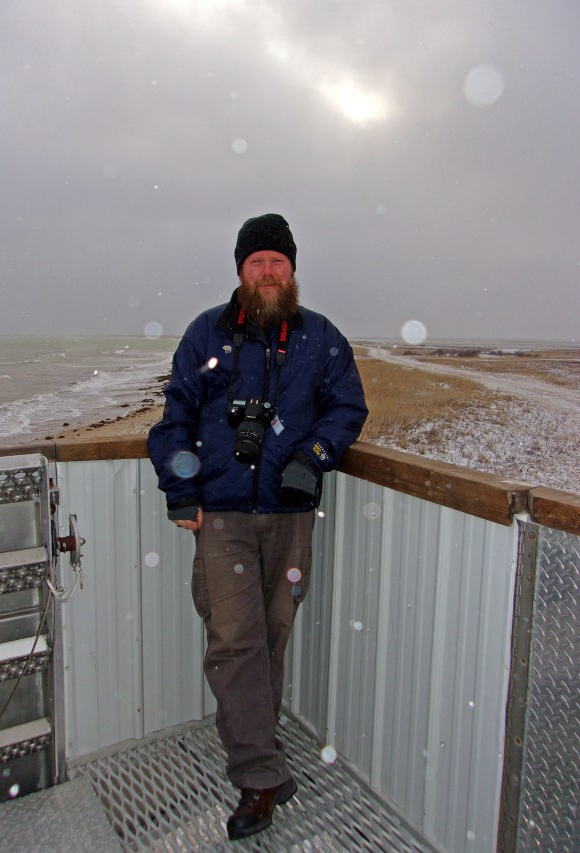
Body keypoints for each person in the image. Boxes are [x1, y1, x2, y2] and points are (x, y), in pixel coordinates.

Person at [148, 213, 367, 841]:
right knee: (235, 641)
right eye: (256, 262)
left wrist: (313, 457)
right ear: (240, 270)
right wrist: (181, 490)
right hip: (220, 515)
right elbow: (174, 418)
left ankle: (262, 760)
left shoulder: (320, 337)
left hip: (291, 516)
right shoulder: (206, 333)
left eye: (278, 261)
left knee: (271, 637)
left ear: (293, 271)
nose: (267, 272)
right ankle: (259, 777)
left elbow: (347, 407)